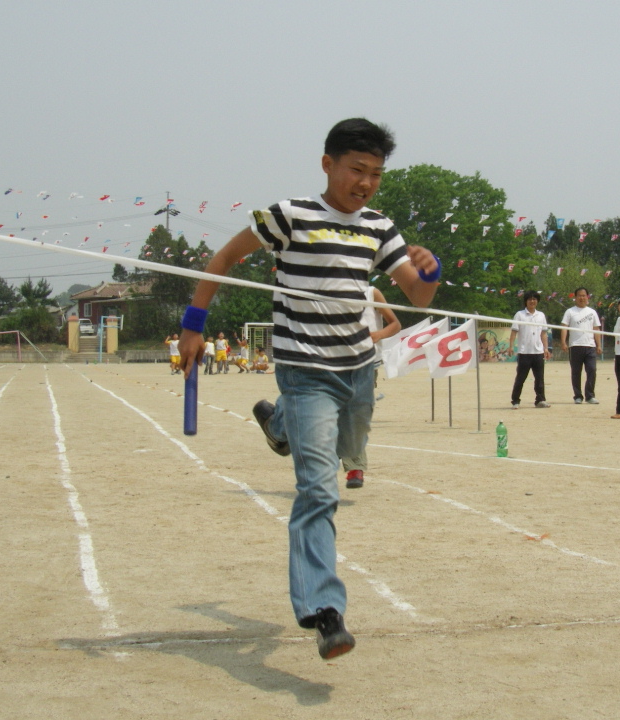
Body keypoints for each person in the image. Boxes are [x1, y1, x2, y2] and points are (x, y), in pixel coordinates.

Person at [174, 118, 441, 658]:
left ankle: (278, 424)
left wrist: (428, 271)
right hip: (305, 369)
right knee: (320, 487)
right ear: (328, 164)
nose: (365, 182)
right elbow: (225, 259)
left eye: (376, 174)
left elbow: (419, 299)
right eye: (356, 170)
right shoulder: (289, 216)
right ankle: (323, 610)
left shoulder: (380, 227)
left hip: (358, 370)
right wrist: (192, 327)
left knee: (343, 445)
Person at [341, 286, 401, 489]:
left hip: (367, 362)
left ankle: (355, 468)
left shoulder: (372, 293)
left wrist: (378, 334)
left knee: (356, 415)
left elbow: (395, 324)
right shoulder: (328, 290)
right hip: (335, 360)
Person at [508, 290, 552, 409]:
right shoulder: (520, 315)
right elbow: (514, 331)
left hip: (538, 352)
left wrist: (546, 349)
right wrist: (511, 346)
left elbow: (543, 333)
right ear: (526, 301)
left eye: (534, 299)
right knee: (520, 378)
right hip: (524, 352)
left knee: (539, 378)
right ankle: (515, 400)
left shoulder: (541, 315)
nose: (532, 301)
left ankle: (540, 400)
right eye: (529, 299)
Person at [561, 287, 602, 403]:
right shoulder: (570, 312)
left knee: (592, 370)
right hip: (575, 346)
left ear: (587, 297)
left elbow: (596, 329)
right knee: (576, 372)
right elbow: (564, 327)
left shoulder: (592, 312)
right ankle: (578, 396)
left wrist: (598, 345)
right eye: (579, 295)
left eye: (584, 295)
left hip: (590, 346)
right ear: (575, 297)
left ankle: (590, 396)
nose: (582, 298)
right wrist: (563, 342)